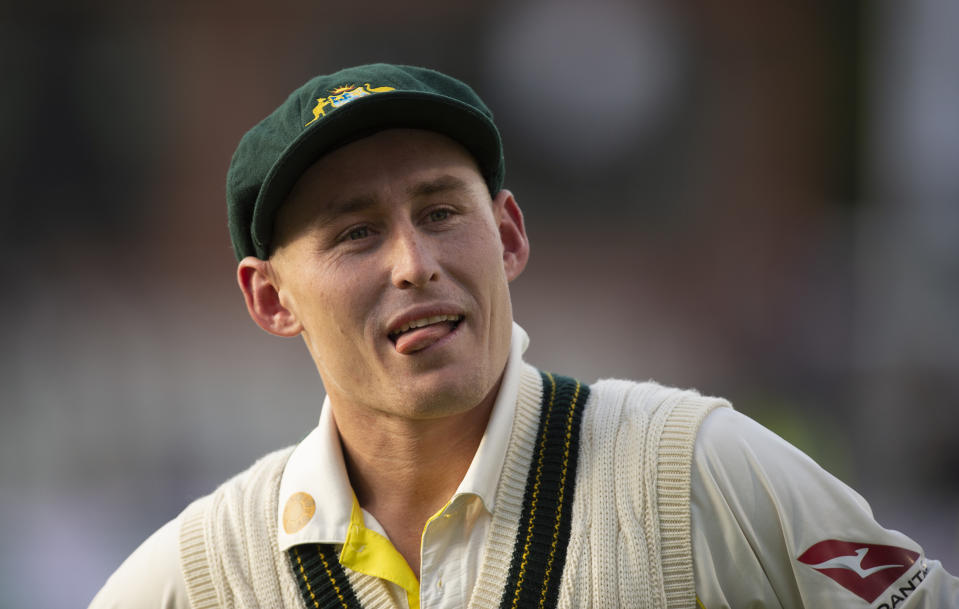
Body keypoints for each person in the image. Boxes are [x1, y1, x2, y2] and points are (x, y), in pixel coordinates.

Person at [90, 63, 958, 609]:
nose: (412, 262)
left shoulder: (694, 470)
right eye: (354, 232)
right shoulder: (205, 572)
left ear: (506, 234)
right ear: (269, 297)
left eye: (439, 211)